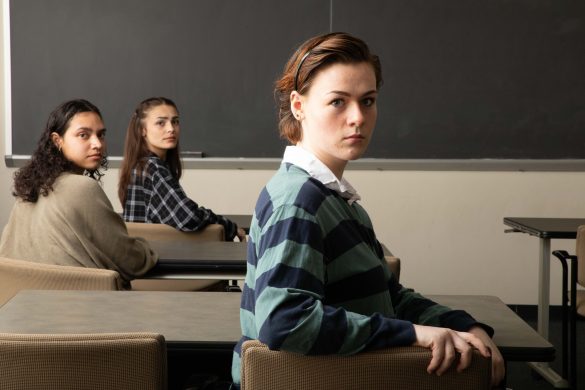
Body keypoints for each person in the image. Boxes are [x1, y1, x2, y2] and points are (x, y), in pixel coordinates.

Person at [231, 32, 505, 388]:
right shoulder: (298, 201)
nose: (358, 117)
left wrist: (460, 323)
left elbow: (390, 298)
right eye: (338, 102)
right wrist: (412, 334)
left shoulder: (336, 200)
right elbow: (285, 320)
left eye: (368, 100)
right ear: (299, 107)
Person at [0, 99, 157, 288]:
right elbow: (132, 262)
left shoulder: (30, 189)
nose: (97, 144)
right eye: (84, 135)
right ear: (57, 140)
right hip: (83, 309)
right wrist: (147, 249)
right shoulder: (83, 187)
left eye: (101, 135)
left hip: (24, 309)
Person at [118, 97, 246, 242]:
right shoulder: (153, 168)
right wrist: (229, 226)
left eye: (175, 121)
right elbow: (187, 217)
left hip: (142, 256)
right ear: (143, 130)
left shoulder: (139, 165)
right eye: (161, 123)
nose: (171, 129)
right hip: (153, 260)